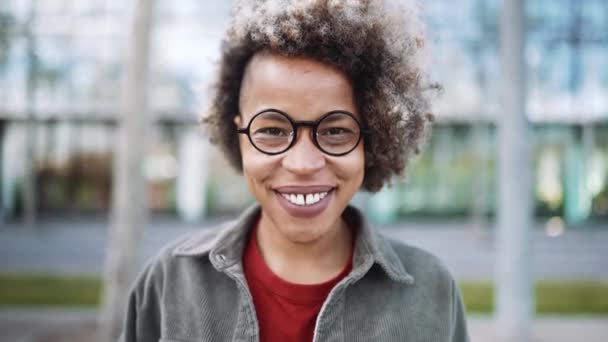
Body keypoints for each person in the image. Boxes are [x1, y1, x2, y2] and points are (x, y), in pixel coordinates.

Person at [120, 1, 469, 341]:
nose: (302, 164)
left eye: (335, 131)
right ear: (238, 135)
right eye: (272, 131)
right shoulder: (169, 284)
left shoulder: (431, 291)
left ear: (373, 136)